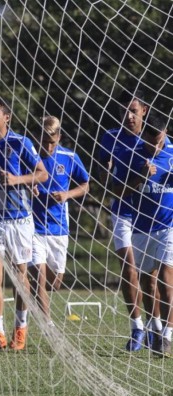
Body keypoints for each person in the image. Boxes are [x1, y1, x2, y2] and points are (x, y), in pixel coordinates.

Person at [0, 96, 48, 351]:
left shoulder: (20, 142)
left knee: (20, 278)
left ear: (7, 118)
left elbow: (42, 174)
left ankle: (20, 329)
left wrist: (18, 180)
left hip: (20, 221)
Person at [98, 89, 160, 351]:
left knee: (151, 277)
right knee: (128, 268)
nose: (129, 116)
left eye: (133, 111)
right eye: (124, 111)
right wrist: (108, 171)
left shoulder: (158, 141)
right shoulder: (110, 138)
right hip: (123, 212)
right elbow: (103, 180)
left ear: (144, 111)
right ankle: (137, 329)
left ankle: (156, 328)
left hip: (151, 216)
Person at [113, 113, 173, 357]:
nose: (157, 146)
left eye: (161, 140)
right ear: (144, 136)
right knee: (148, 282)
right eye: (153, 141)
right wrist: (139, 177)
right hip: (140, 228)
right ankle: (155, 330)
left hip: (168, 225)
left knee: (166, 279)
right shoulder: (131, 155)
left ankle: (168, 336)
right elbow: (116, 191)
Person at [29, 116, 89, 325]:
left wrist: (67, 195)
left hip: (59, 228)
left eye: (52, 142)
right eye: (44, 141)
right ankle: (48, 324)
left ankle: (26, 288)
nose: (48, 146)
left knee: (54, 283)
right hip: (34, 227)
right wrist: (29, 187)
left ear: (59, 138)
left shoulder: (69, 157)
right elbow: (18, 179)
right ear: (37, 137)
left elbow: (85, 185)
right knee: (39, 277)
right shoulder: (30, 156)